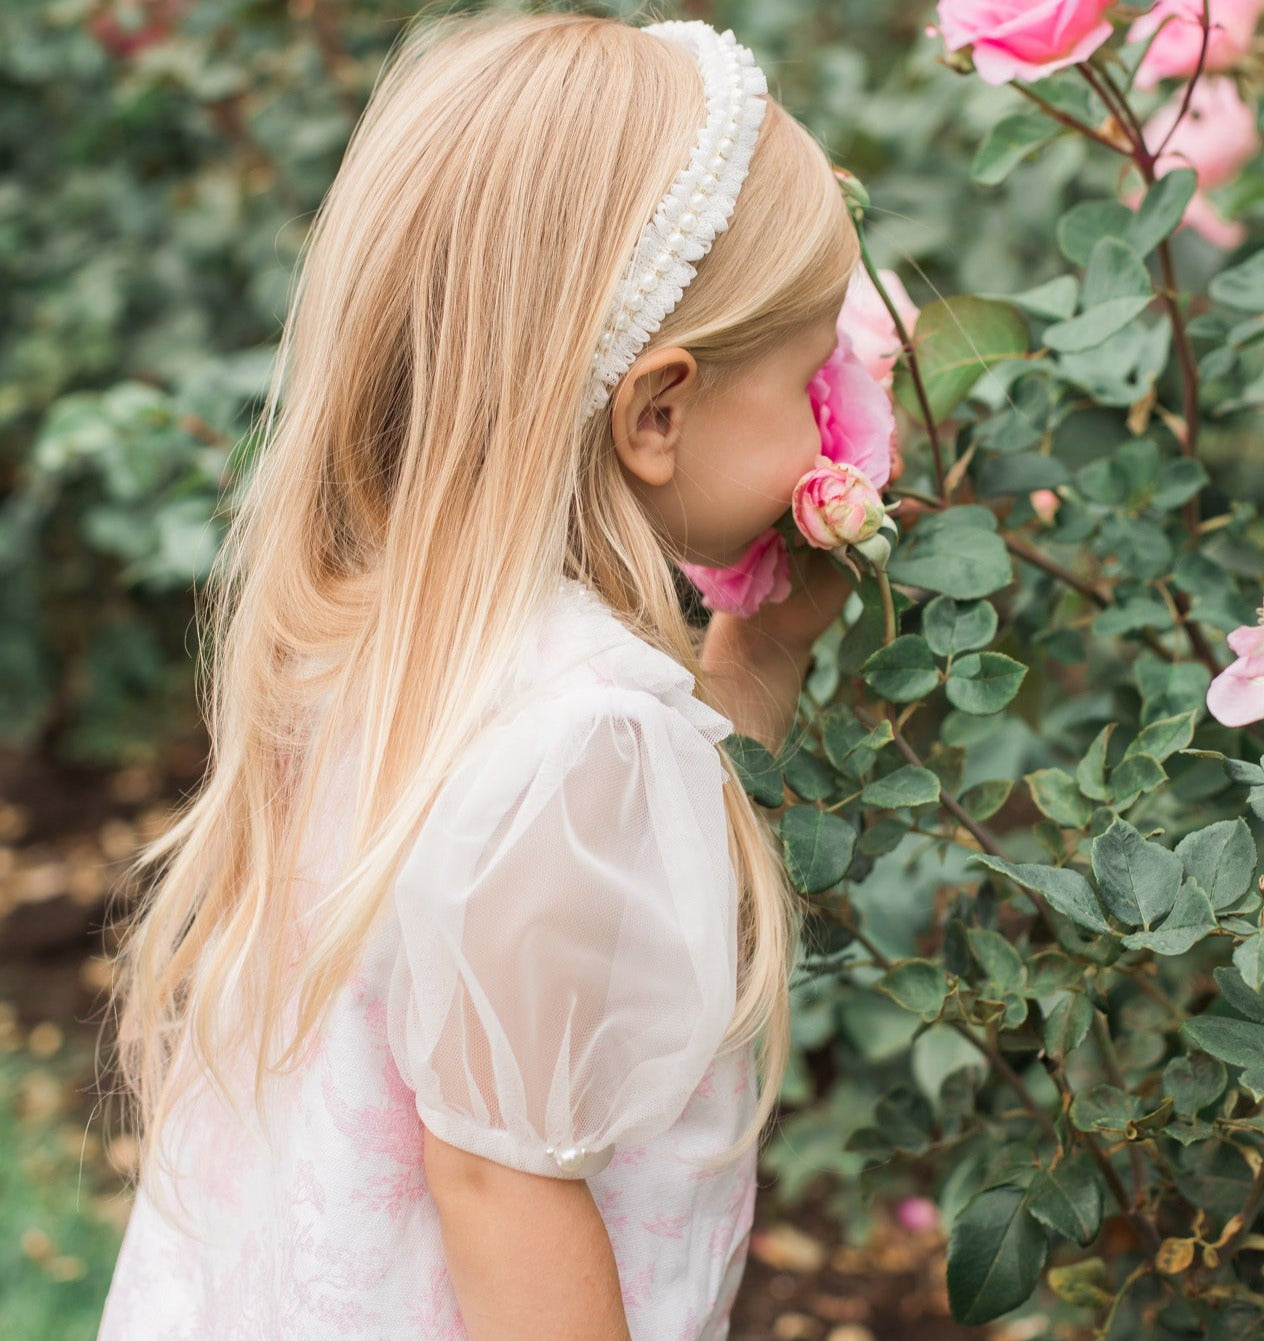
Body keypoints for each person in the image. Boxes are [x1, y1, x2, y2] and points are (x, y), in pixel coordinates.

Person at [94, 8, 861, 1339]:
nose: (830, 413)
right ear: (658, 410)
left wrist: (762, 650)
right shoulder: (582, 734)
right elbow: (505, 1182)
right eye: (808, 375)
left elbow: (581, 939)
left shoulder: (387, 628)